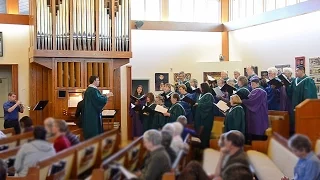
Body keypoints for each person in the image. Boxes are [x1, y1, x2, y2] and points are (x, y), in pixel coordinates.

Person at [287, 66, 317, 134]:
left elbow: (309, 95)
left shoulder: (308, 80)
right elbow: (290, 92)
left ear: (302, 71)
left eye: (297, 71)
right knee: (295, 122)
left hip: (304, 107)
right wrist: (286, 86)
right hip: (295, 105)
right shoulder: (295, 80)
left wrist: (304, 106)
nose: (296, 73)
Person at [242, 77, 268, 142]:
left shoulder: (259, 91)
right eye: (251, 83)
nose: (251, 85)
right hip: (257, 113)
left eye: (253, 83)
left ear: (257, 83)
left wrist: (242, 101)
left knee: (257, 129)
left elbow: (251, 101)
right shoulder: (258, 90)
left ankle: (257, 145)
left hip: (258, 114)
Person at [194, 83, 215, 148]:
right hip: (199, 116)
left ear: (204, 87)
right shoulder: (201, 95)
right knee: (199, 132)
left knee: (205, 132)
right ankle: (199, 147)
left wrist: (199, 104)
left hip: (206, 117)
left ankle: (205, 147)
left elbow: (208, 105)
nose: (199, 88)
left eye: (200, 87)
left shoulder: (209, 95)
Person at [281, 68, 295, 135]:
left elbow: (293, 91)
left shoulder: (293, 80)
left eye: (285, 73)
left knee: (291, 116)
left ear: (290, 73)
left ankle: (291, 131)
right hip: (285, 100)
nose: (284, 74)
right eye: (283, 73)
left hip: (290, 100)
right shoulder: (283, 81)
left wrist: (287, 86)